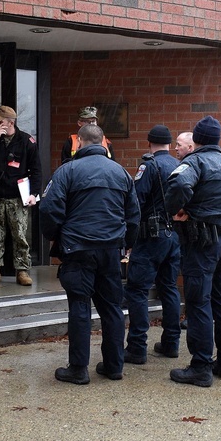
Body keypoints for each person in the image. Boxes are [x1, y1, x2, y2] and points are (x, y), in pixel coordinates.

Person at [39, 124, 140, 384]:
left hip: (78, 249)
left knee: (80, 307)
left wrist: (55, 236)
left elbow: (49, 210)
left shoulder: (67, 171)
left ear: (80, 142)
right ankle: (114, 365)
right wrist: (127, 244)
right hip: (110, 250)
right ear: (104, 142)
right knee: (112, 308)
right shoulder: (121, 173)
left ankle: (78, 369)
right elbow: (133, 216)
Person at [164, 117, 221, 387]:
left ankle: (200, 366)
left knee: (198, 303)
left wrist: (174, 212)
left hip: (201, 243)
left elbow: (178, 186)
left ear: (198, 140)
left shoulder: (194, 162)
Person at [122, 125, 182, 365]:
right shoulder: (180, 165)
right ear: (169, 144)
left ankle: (137, 347)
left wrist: (129, 240)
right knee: (169, 288)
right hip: (174, 236)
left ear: (149, 143)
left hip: (150, 238)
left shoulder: (149, 166)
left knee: (136, 290)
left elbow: (136, 204)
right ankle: (171, 343)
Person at [0, 105, 42, 287]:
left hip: (17, 197)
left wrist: (34, 194)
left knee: (19, 235)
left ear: (10, 122)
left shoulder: (26, 141)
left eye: (0, 121)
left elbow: (36, 170)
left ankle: (22, 270)